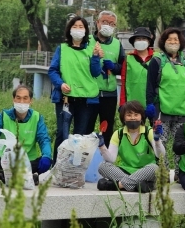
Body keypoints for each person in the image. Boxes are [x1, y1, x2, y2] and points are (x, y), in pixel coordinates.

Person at [146, 27, 185, 179]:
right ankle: (164, 174)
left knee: (180, 144)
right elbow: (150, 85)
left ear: (180, 42)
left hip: (182, 112)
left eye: (176, 39)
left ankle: (181, 174)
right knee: (160, 143)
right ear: (163, 42)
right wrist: (149, 105)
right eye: (169, 39)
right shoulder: (157, 61)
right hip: (162, 111)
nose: (173, 42)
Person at [48, 16, 102, 152]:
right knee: (62, 133)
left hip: (85, 100)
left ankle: (75, 168)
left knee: (80, 134)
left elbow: (96, 73)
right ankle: (57, 166)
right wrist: (60, 84)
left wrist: (96, 57)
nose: (78, 30)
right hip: (65, 98)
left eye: (81, 27)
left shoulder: (92, 48)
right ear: (69, 30)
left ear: (86, 31)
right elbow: (53, 70)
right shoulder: (62, 49)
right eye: (75, 26)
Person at [0, 85, 52, 182]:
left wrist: (46, 156)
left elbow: (44, 139)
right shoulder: (3, 116)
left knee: (48, 159)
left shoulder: (37, 117)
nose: (21, 102)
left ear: (31, 101)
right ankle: (27, 177)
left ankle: (4, 176)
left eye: (25, 98)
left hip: (28, 162)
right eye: (18, 98)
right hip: (5, 162)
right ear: (13, 99)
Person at [96, 100, 165, 193]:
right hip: (126, 170)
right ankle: (140, 185)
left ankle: (117, 185)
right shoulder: (118, 134)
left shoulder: (148, 131)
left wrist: (157, 141)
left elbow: (161, 155)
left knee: (154, 168)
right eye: (129, 115)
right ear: (123, 118)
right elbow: (111, 159)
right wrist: (102, 147)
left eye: (136, 115)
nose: (133, 118)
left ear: (141, 117)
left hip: (146, 172)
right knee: (102, 166)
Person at [87, 10, 125, 147]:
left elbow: (123, 67)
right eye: (104, 22)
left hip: (109, 93)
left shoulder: (117, 44)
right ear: (97, 23)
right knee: (87, 127)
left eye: (111, 24)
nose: (107, 26)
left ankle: (105, 160)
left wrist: (115, 67)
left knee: (107, 128)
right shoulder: (87, 41)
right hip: (90, 92)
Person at [119, 27, 154, 109]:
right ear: (134, 42)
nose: (141, 41)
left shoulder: (157, 58)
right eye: (138, 39)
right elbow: (123, 82)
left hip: (153, 104)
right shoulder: (128, 59)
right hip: (133, 104)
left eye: (144, 39)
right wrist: (122, 103)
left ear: (149, 42)